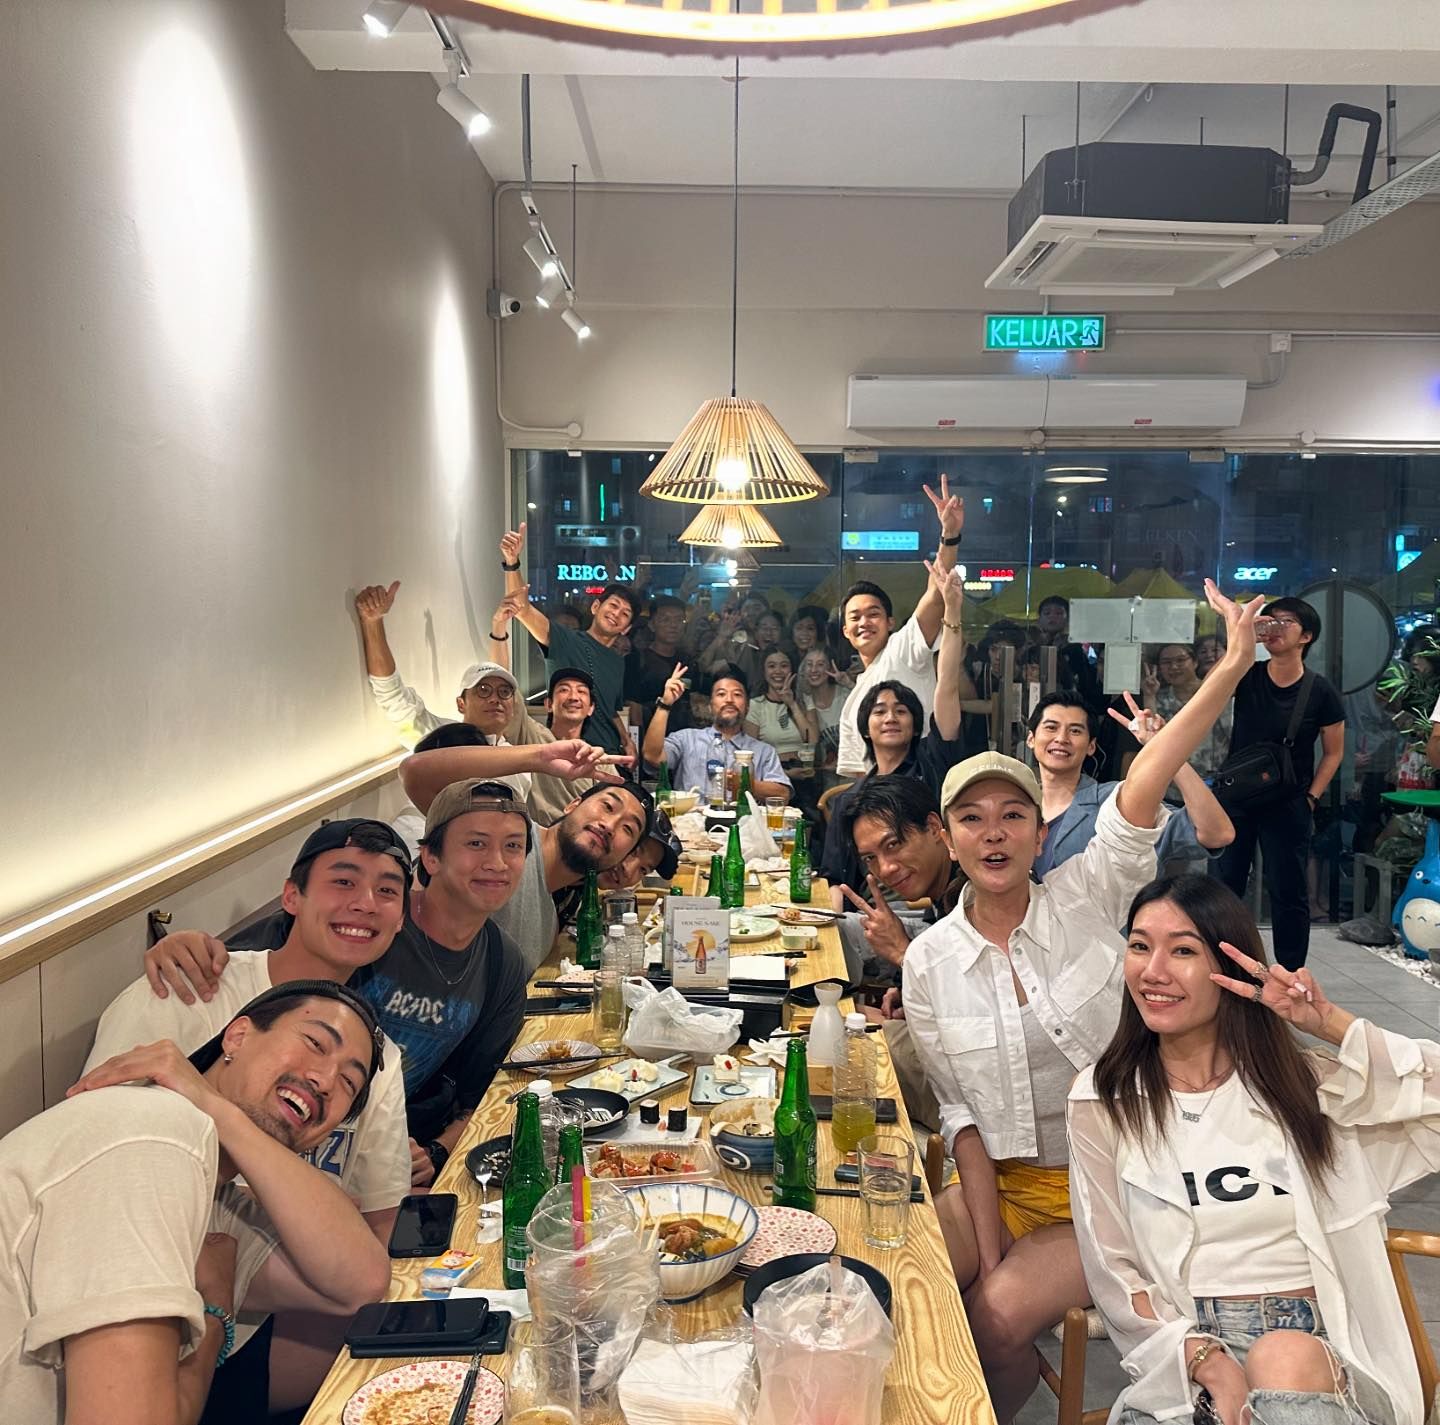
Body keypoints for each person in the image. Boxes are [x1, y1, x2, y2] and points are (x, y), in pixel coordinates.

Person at [901, 580, 1259, 1424]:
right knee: (902, 1282)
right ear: (948, 837)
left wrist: (1231, 667)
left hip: (1123, 1182)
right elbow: (962, 1122)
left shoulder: (1091, 892)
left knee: (993, 1317)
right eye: (972, 818)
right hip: (1005, 1182)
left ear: (1039, 832)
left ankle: (987, 1393)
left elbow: (1149, 778)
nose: (994, 832)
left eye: (1012, 815)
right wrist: (991, 1248)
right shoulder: (928, 961)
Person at [1070, 873, 1435, 1425]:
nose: (1153, 971)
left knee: (1283, 1357)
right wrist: (1207, 1362)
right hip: (1188, 1352)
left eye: (1183, 951)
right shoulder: (1105, 1099)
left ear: (1232, 968)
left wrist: (1330, 1024)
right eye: (1140, 946)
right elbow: (1112, 1268)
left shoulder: (1306, 1087)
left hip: (1326, 1352)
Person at [0, 983, 390, 1425]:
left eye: (348, 1082)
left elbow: (361, 1281)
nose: (325, 1081)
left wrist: (218, 1110)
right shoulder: (152, 1137)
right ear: (237, 1036)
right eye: (315, 1043)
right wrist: (217, 1314)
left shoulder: (215, 1192)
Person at [144, 798, 531, 1188]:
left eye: (385, 890)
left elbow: (479, 1094)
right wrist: (185, 947)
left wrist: (435, 1152)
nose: (364, 904)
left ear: (399, 918)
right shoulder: (194, 989)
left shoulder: (381, 1058)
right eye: (344, 882)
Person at [397, 737, 654, 962]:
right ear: (573, 804)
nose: (610, 826)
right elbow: (416, 772)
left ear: (624, 856)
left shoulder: (548, 924)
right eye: (607, 806)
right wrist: (539, 757)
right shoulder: (506, 833)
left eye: (628, 829)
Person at [820, 562, 971, 905]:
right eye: (879, 711)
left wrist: (952, 612)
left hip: (935, 907)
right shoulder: (850, 801)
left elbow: (947, 685)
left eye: (901, 710)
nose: (890, 717)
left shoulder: (933, 763)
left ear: (916, 724)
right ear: (864, 728)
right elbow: (835, 879)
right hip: (869, 913)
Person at [1215, 596, 1345, 971]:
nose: (1274, 627)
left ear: (1306, 636)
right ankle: (1220, 966)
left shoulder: (1320, 691)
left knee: (1288, 891)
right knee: (1224, 886)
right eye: (1269, 620)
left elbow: (1334, 752)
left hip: (1288, 802)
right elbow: (1211, 689)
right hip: (1237, 797)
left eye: (1285, 622)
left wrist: (1311, 797)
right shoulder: (1247, 673)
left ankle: (1291, 974)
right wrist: (1241, 641)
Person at [828, 775, 963, 1131]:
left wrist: (905, 954)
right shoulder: (945, 890)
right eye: (870, 858)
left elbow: (987, 1012)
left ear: (934, 828)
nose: (885, 868)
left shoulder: (976, 892)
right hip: (953, 1055)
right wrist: (910, 990)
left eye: (894, 844)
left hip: (975, 1091)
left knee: (840, 1046)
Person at [835, 477, 964, 776]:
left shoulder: (901, 648)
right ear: (845, 631)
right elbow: (859, 777)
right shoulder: (853, 701)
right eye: (855, 617)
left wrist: (950, 536)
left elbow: (935, 595)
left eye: (873, 614)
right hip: (879, 800)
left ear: (890, 622)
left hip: (923, 785)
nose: (864, 622)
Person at [1026, 692, 1234, 876]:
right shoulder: (1018, 804)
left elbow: (1216, 833)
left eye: (1075, 731)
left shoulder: (1118, 802)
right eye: (1051, 727)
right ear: (1031, 739)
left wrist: (1165, 748)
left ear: (1091, 746)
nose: (1061, 738)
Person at [498, 522, 641, 759]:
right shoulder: (565, 639)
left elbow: (611, 710)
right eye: (613, 605)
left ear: (626, 628)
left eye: (625, 613)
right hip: (567, 754)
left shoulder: (618, 662)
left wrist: (627, 742)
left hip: (607, 756)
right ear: (595, 607)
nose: (616, 614)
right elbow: (522, 609)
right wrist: (512, 562)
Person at [642, 663, 792, 802]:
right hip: (690, 820)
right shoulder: (686, 739)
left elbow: (783, 794)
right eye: (721, 694)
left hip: (742, 821)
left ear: (747, 707)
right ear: (710, 707)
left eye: (737, 694)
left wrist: (741, 783)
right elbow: (652, 756)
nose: (729, 700)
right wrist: (665, 704)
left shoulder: (764, 751)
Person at [1142, 642, 1233, 781]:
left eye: (1180, 660)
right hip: (1175, 780)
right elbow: (1152, 736)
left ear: (1195, 662)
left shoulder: (1213, 691)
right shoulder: (1160, 698)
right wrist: (1149, 696)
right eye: (1166, 662)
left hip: (1220, 778)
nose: (1174, 667)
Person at [745, 647, 818, 766]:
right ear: (764, 672)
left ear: (792, 670)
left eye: (784, 666)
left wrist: (792, 705)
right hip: (771, 770)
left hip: (804, 769)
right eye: (772, 666)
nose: (778, 671)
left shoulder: (805, 700)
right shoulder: (755, 705)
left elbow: (813, 740)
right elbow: (750, 754)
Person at [1032, 594, 1103, 706]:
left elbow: (1091, 673)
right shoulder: (1032, 650)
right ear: (1039, 619)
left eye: (1059, 613)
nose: (1052, 617)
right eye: (1047, 613)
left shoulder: (1079, 647)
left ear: (1068, 618)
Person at [797, 648, 844, 767]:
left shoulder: (845, 695)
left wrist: (848, 683)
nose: (814, 670)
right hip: (823, 775)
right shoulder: (802, 703)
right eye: (809, 664)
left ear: (831, 668)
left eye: (820, 664)